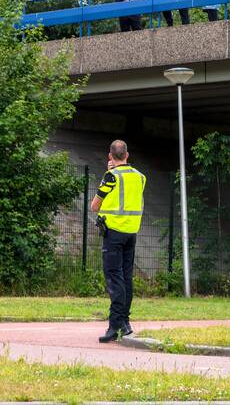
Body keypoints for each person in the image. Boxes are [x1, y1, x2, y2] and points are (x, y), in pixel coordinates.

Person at [90, 139, 147, 343]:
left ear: (110, 156)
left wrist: (109, 173)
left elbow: (95, 206)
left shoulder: (111, 177)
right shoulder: (140, 177)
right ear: (127, 155)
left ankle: (114, 326)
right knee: (126, 277)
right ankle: (125, 322)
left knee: (114, 278)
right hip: (131, 233)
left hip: (114, 233)